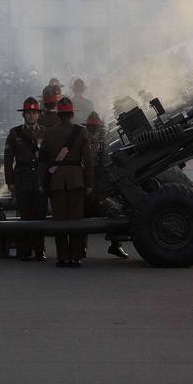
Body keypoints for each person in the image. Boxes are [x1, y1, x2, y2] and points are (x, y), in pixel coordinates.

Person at [38, 96, 91, 267]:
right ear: (72, 114)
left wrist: (42, 182)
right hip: (76, 180)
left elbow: (43, 161)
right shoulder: (81, 131)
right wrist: (89, 183)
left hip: (56, 181)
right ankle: (75, 256)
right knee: (76, 219)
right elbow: (88, 161)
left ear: (59, 115)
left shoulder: (49, 132)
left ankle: (62, 257)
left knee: (59, 219)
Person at [4, 97, 47, 261]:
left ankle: (39, 249)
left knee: (40, 214)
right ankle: (25, 248)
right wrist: (10, 181)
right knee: (25, 214)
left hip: (40, 177)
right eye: (28, 113)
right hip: (22, 176)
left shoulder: (45, 132)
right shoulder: (15, 133)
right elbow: (8, 159)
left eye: (34, 112)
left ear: (38, 114)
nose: (31, 116)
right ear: (24, 115)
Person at [86, 111, 128, 259]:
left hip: (99, 186)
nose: (93, 132)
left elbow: (106, 164)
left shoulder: (103, 144)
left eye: (95, 129)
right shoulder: (84, 144)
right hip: (87, 187)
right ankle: (80, 248)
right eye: (91, 129)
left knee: (115, 210)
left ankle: (116, 245)